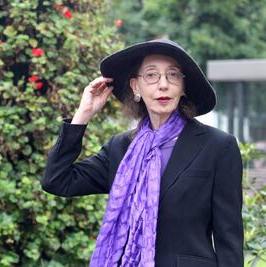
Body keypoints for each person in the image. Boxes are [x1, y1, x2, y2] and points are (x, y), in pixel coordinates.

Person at [41, 39, 243, 267]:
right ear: (136, 87)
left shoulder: (217, 146)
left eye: (173, 75)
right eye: (151, 75)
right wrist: (83, 115)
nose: (163, 85)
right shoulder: (120, 149)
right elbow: (57, 181)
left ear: (183, 87)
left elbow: (229, 239)